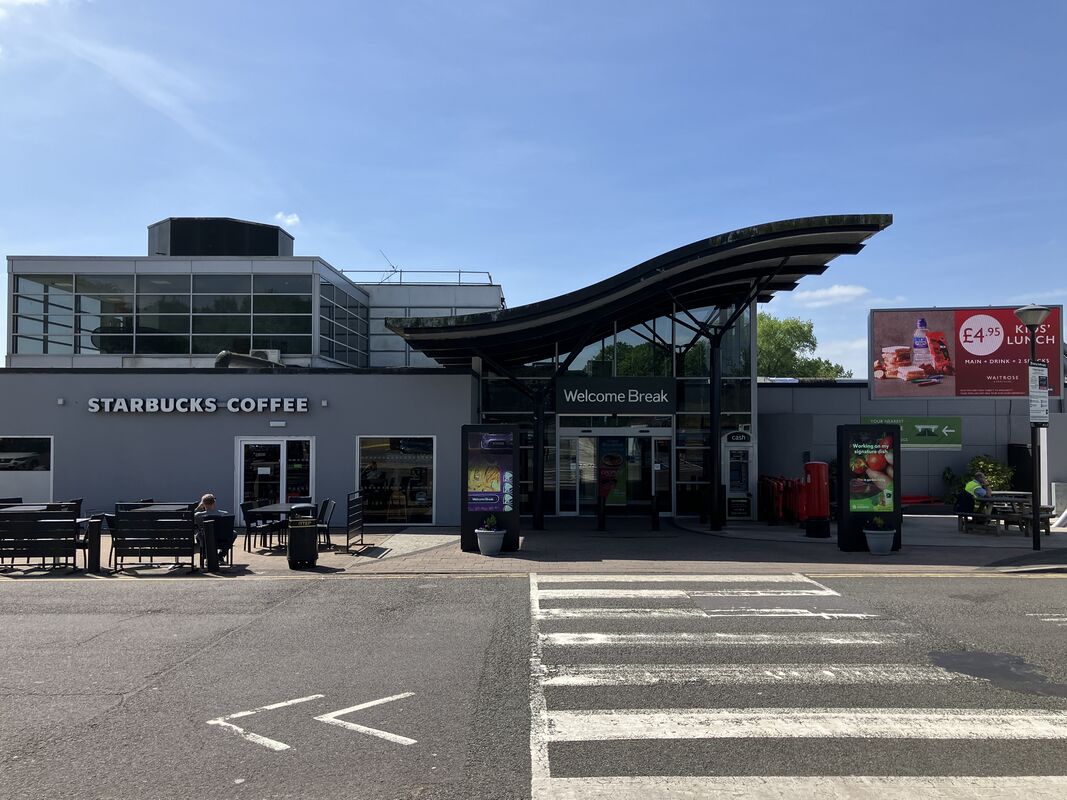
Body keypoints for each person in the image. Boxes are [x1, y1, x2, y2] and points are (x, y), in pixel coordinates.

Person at [194, 493, 235, 564]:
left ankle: (207, 557)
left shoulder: (198, 515)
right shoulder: (224, 514)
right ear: (214, 503)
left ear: (203, 504)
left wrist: (198, 507)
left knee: (198, 535)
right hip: (221, 540)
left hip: (206, 540)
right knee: (233, 533)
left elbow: (192, 516)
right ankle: (220, 556)